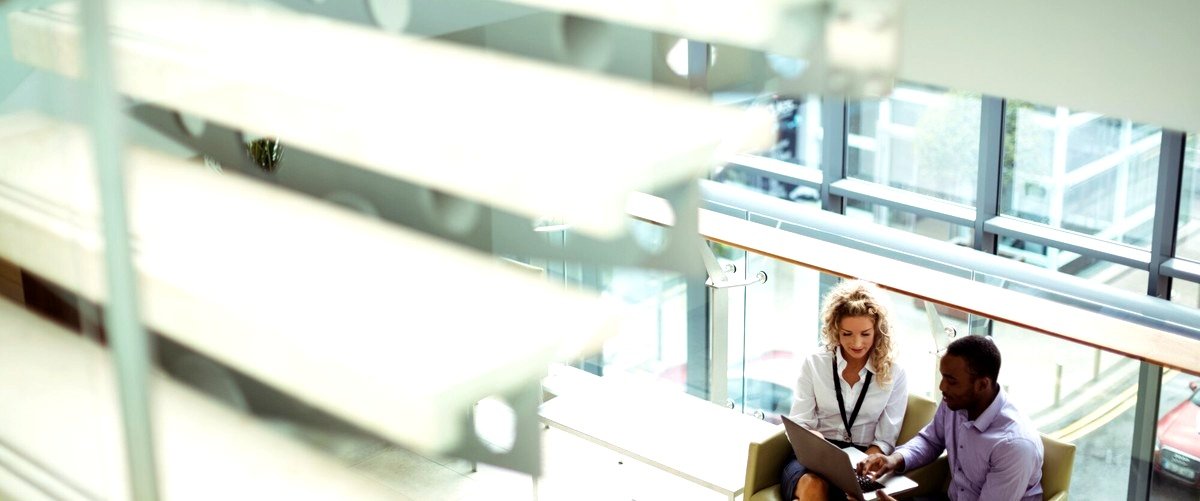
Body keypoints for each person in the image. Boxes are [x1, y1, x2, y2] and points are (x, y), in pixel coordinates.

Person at [859, 335, 1043, 501]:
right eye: (943, 377)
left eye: (951, 381)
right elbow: (931, 440)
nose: (942, 387)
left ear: (982, 384)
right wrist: (895, 459)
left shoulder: (1014, 446)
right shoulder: (956, 402)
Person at [780, 280, 908, 500]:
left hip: (863, 458)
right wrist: (816, 444)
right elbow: (800, 423)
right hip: (816, 454)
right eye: (847, 334)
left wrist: (863, 467)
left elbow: (885, 440)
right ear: (835, 330)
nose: (857, 343)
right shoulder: (814, 364)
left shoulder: (895, 373)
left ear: (878, 331)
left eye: (865, 334)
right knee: (813, 486)